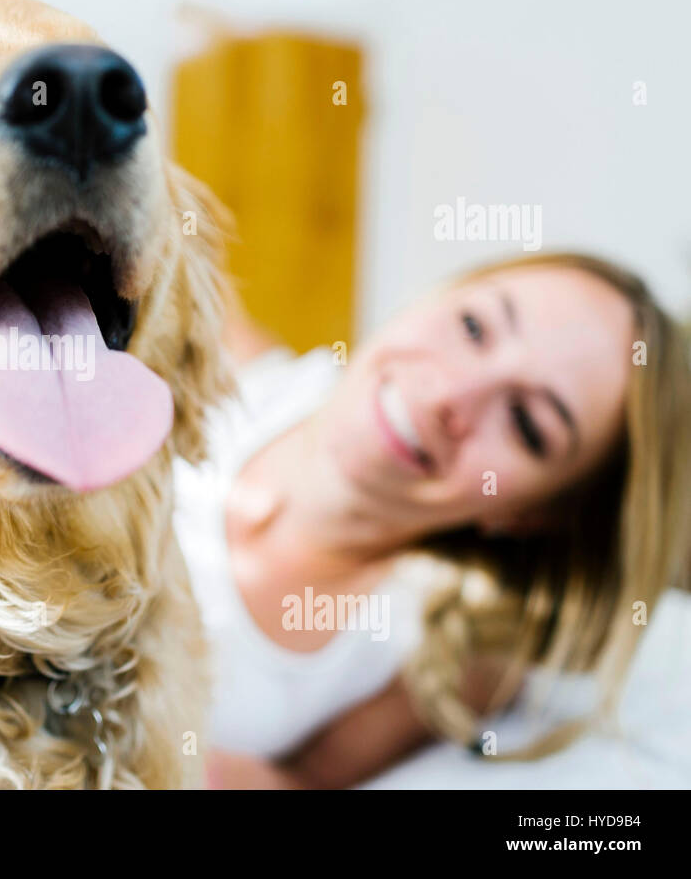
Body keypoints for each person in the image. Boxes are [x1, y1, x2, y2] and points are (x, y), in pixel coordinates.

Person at [177, 252, 691, 788]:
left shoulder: (446, 654)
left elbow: (293, 784)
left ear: (534, 514)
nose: (447, 394)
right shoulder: (213, 350)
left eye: (526, 424)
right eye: (473, 327)